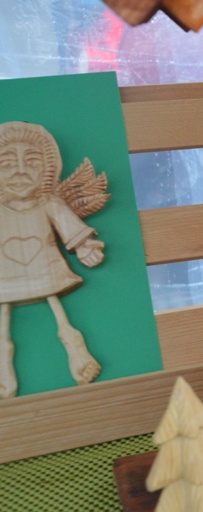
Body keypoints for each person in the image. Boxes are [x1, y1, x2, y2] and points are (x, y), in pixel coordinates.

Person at [0, 122, 105, 398]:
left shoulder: (50, 204)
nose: (20, 171)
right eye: (7, 163)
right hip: (4, 277)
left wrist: (84, 246)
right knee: (2, 326)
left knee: (61, 317)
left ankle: (77, 351)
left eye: (32, 162)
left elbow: (71, 229)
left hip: (47, 270)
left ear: (46, 170)